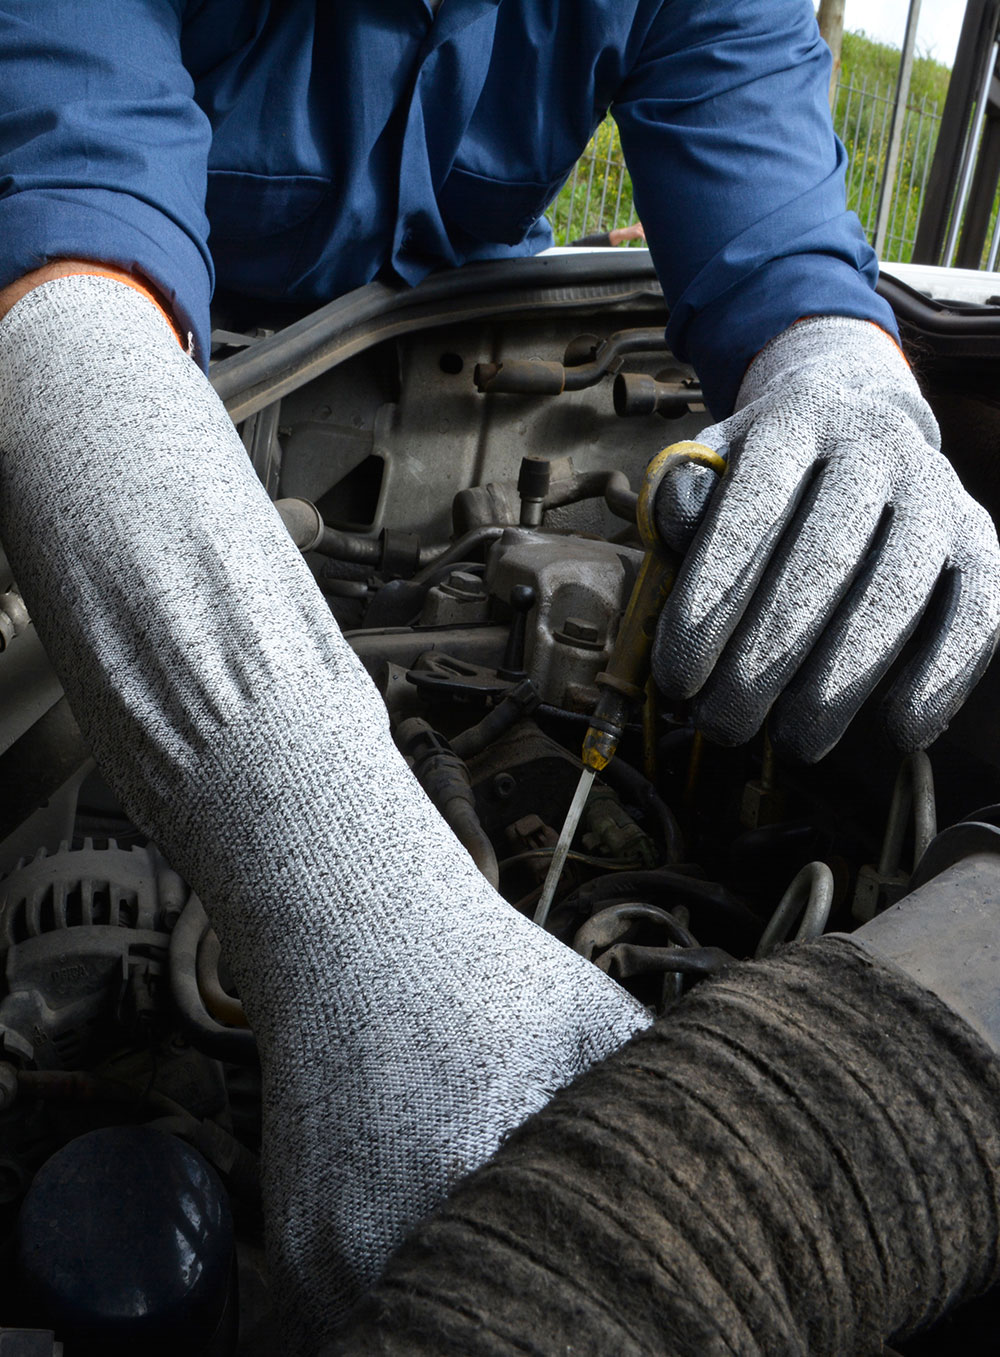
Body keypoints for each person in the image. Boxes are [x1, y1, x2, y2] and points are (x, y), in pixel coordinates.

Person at [1, 1, 998, 1351]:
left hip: (465, 323)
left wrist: (850, 383)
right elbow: (69, 227)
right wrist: (339, 893)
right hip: (139, 351)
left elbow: (781, 247)